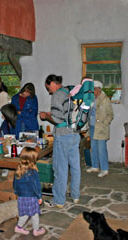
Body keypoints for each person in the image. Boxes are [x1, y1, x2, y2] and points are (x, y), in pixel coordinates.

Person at [39, 74, 81, 208]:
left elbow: (57, 120)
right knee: (75, 167)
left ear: (52, 83)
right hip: (75, 134)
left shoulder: (57, 95)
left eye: (48, 87)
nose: (48, 91)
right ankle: (75, 196)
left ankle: (58, 200)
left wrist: (46, 116)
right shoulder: (69, 91)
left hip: (63, 136)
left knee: (60, 169)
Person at [13, 147, 46, 236]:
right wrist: (39, 196)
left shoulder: (18, 170)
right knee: (34, 214)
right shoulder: (33, 172)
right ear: (33, 160)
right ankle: (36, 230)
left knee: (24, 213)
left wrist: (16, 193)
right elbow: (36, 186)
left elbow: (15, 184)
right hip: (31, 197)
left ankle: (19, 227)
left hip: (21, 197)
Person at [85, 80, 114, 178]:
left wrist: (103, 124)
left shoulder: (105, 99)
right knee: (93, 147)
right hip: (93, 126)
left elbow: (110, 115)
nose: (92, 91)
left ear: (99, 89)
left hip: (101, 128)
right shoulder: (93, 99)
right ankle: (95, 166)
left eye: (94, 89)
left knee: (102, 149)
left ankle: (104, 169)